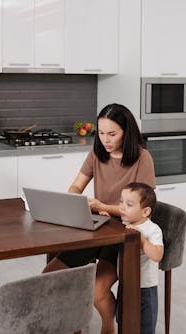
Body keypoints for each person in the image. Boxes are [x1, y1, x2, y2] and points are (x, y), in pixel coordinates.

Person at [43, 103, 156, 334]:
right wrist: (73, 200)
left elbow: (142, 208)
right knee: (49, 276)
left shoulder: (142, 158)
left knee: (96, 290)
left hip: (123, 234)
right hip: (95, 227)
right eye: (102, 132)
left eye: (112, 134)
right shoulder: (97, 154)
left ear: (127, 131)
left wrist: (104, 206)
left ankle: (108, 325)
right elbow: (76, 185)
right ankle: (68, 322)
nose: (105, 139)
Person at [102, 182, 163, 334]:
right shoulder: (125, 223)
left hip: (144, 288)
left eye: (129, 204)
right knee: (124, 321)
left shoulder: (152, 230)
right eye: (121, 202)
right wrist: (108, 221)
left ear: (145, 211)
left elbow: (157, 255)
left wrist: (142, 240)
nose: (122, 207)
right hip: (125, 284)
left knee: (144, 326)